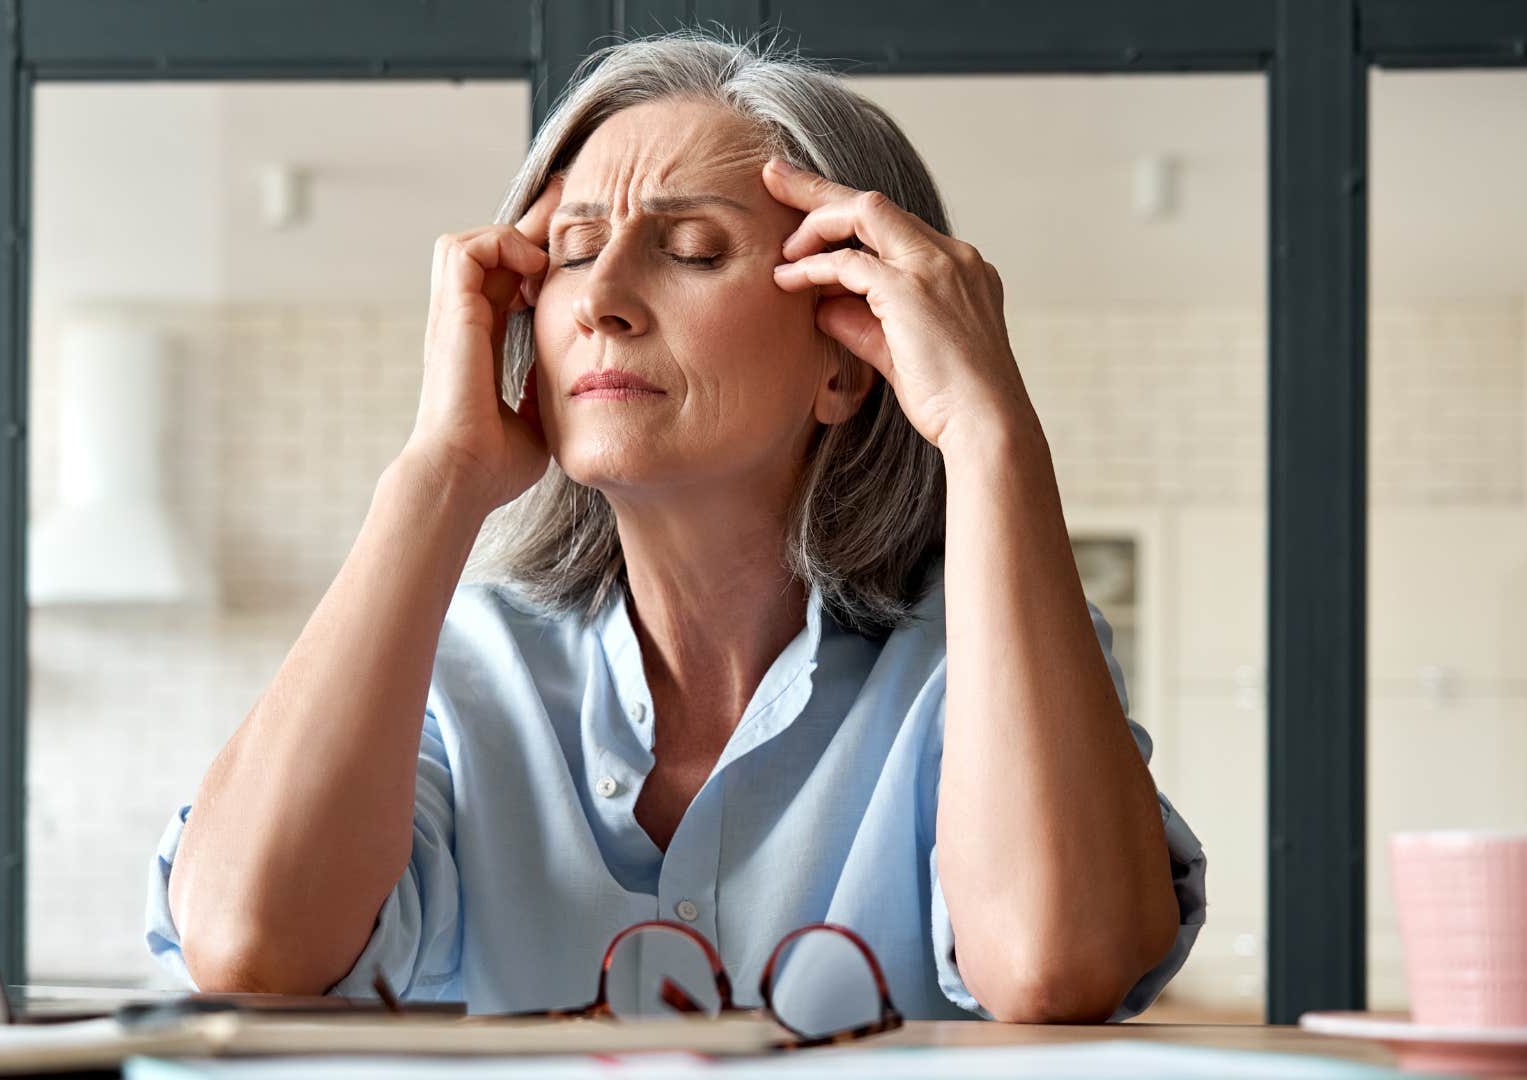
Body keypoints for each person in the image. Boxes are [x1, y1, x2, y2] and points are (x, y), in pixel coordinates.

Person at [146, 29, 1206, 1023]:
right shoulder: (454, 672)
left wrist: (989, 434)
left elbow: (1061, 966)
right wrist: (437, 475)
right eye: (568, 250)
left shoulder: (977, 668)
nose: (601, 297)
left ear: (851, 355)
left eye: (693, 250)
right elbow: (250, 948)